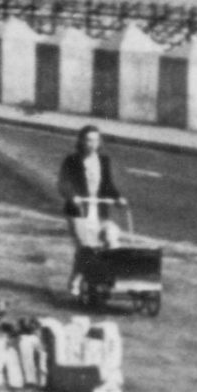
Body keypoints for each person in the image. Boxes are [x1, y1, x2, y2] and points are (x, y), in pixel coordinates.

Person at [58, 125, 128, 298]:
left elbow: (108, 185)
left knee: (111, 238)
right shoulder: (72, 160)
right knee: (86, 248)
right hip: (79, 209)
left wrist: (118, 198)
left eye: (96, 140)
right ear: (81, 141)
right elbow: (63, 183)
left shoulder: (103, 160)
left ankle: (110, 278)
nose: (92, 144)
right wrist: (72, 196)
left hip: (98, 207)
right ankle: (75, 280)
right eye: (88, 140)